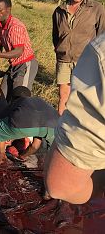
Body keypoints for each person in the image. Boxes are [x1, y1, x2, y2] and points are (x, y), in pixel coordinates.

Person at [45, 34, 105, 205]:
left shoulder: (101, 52)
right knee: (63, 95)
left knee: (60, 183)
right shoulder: (60, 12)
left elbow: (60, 185)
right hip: (66, 58)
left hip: (83, 63)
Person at [0, 86, 59, 197]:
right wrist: (23, 156)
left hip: (21, 122)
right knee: (52, 159)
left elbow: (0, 135)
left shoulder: (17, 102)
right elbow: (35, 145)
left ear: (13, 98)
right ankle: (48, 192)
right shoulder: (40, 102)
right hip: (56, 126)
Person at [52, 0, 105, 115]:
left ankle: (80, 131)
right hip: (64, 60)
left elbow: (102, 36)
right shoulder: (59, 11)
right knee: (63, 96)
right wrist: (60, 50)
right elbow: (55, 36)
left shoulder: (96, 8)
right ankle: (60, 130)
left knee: (84, 97)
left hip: (85, 60)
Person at [0, 0, 38, 101]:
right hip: (13, 65)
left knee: (20, 97)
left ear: (8, 9)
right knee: (2, 95)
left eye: (0, 9)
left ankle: (21, 117)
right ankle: (6, 117)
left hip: (25, 63)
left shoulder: (15, 26)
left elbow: (19, 51)